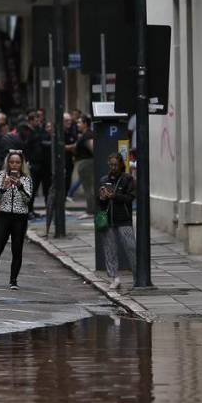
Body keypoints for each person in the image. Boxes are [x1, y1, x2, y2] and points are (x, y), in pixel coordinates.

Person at [0, 150, 33, 290]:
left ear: (21, 164)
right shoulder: (2, 175)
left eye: (17, 162)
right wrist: (4, 188)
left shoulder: (26, 178)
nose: (14, 165)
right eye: (12, 162)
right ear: (8, 163)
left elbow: (28, 199)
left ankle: (13, 281)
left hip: (20, 217)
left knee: (17, 250)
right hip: (4, 216)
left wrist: (19, 186)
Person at [98, 153, 136, 290]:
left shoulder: (127, 179)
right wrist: (102, 198)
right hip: (108, 219)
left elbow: (130, 198)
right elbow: (100, 203)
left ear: (121, 164)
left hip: (123, 219)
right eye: (110, 165)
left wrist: (115, 196)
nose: (113, 167)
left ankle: (138, 276)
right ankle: (114, 278)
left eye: (115, 164)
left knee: (131, 247)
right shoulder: (104, 180)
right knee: (110, 249)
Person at [67, 115, 96, 216]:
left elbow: (93, 148)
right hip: (84, 163)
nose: (77, 125)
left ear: (85, 124)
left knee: (89, 188)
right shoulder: (84, 135)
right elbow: (75, 146)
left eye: (79, 122)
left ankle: (91, 210)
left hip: (87, 163)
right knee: (87, 187)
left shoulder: (88, 135)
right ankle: (90, 209)